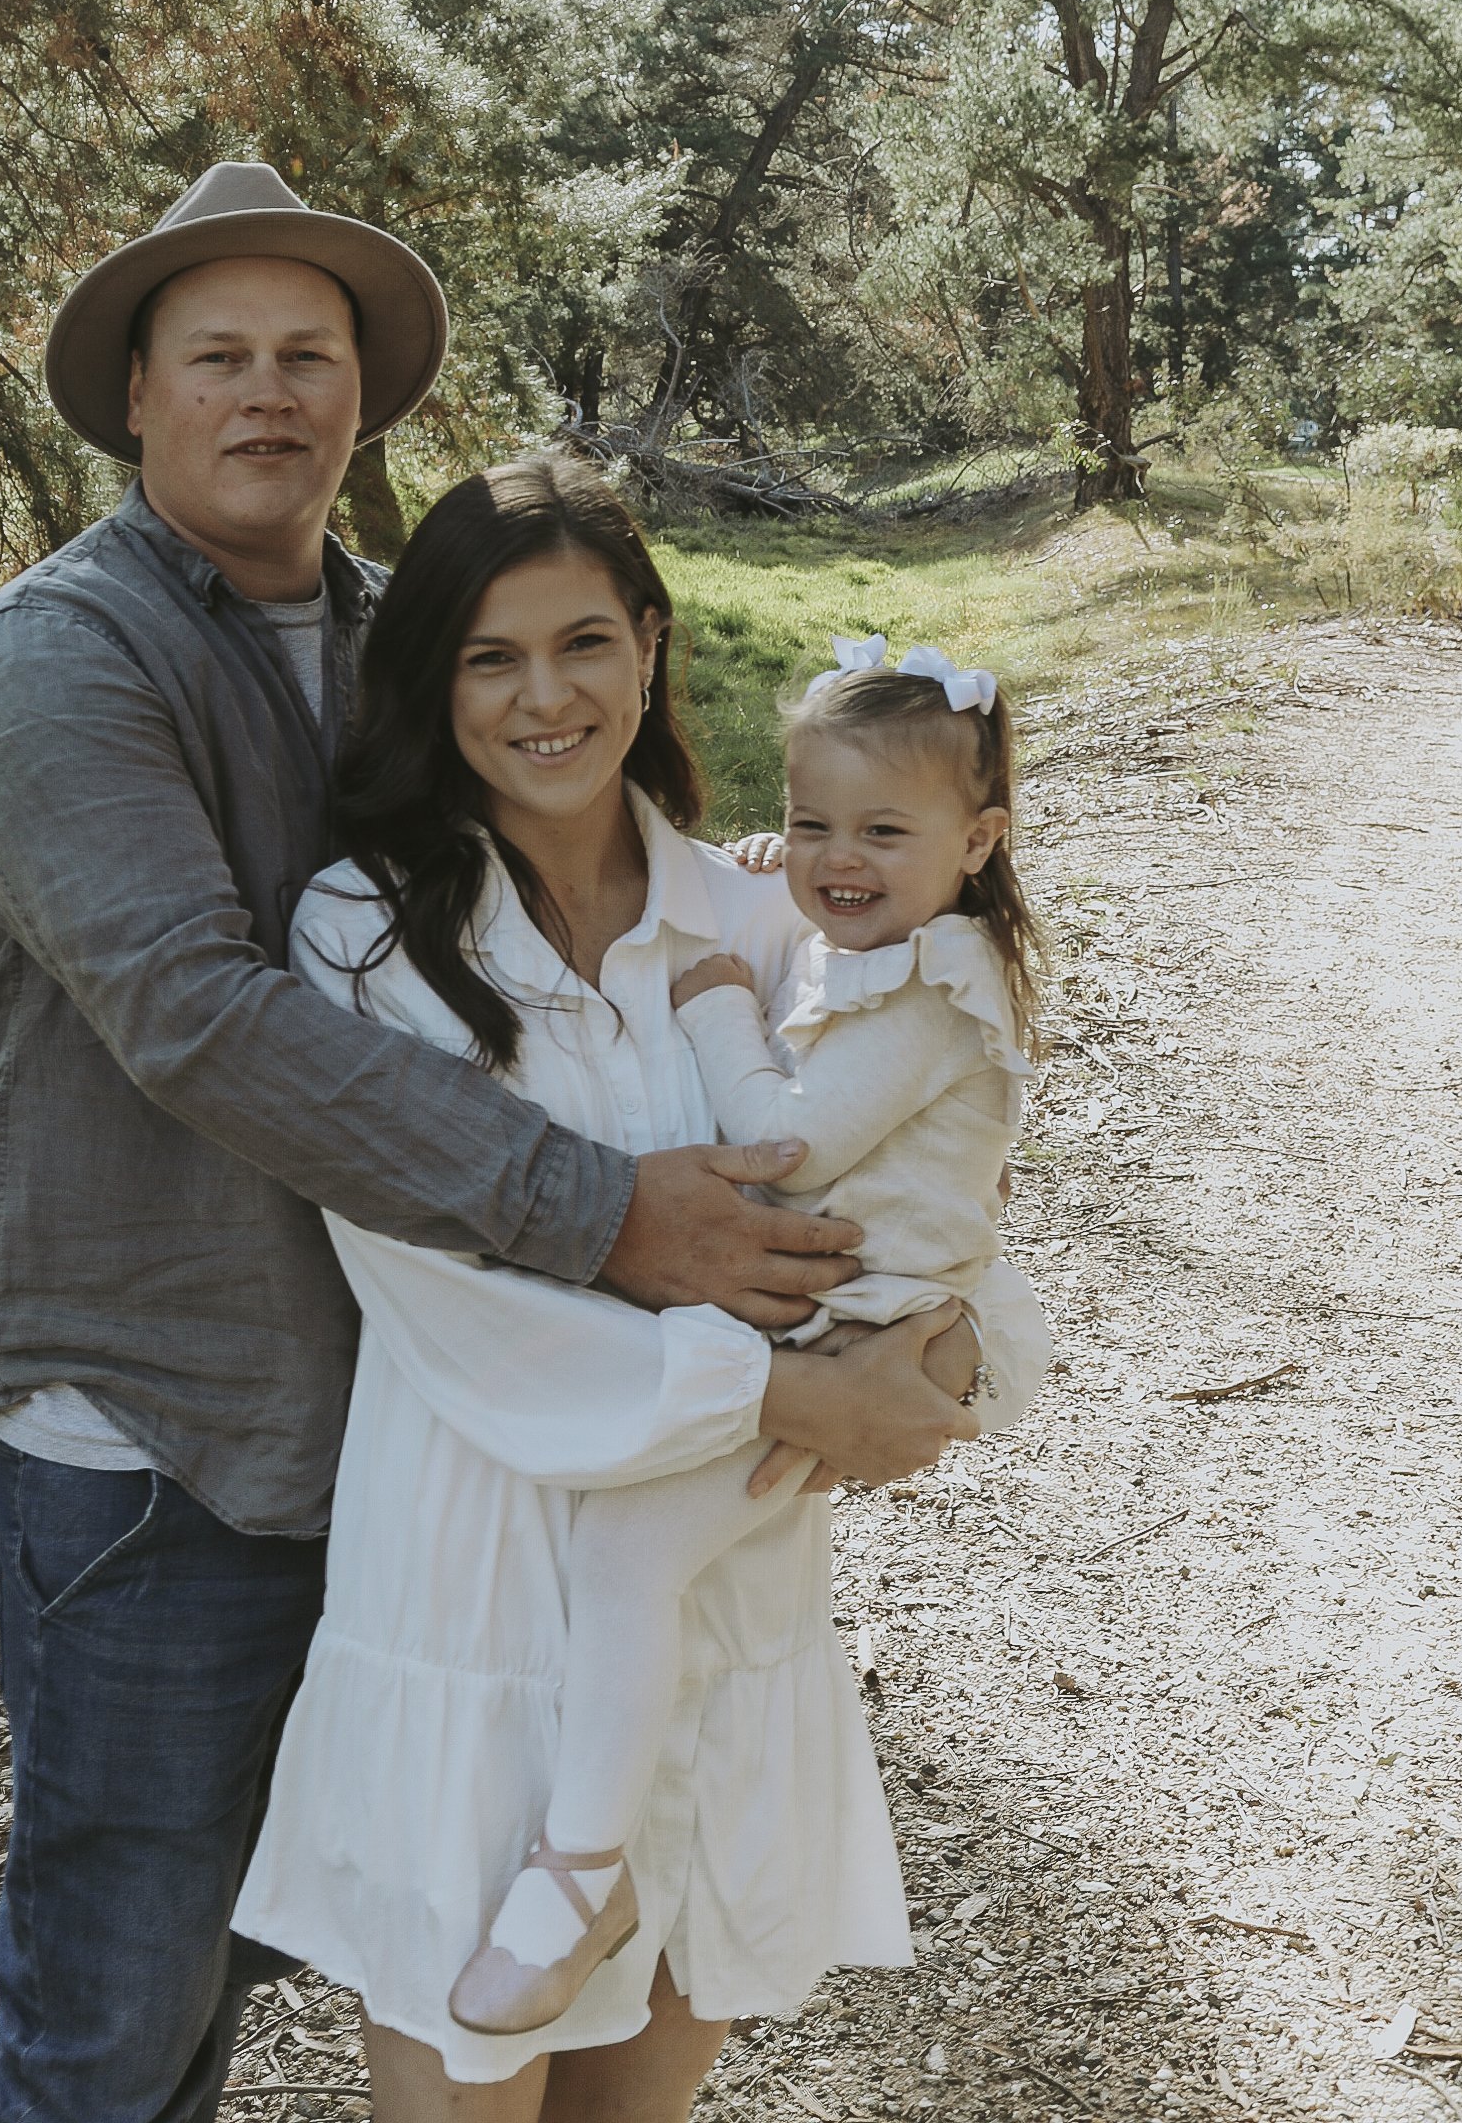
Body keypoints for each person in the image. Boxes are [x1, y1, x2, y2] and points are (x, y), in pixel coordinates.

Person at [0, 164, 972, 2123]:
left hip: (419, 1434)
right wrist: (614, 1222)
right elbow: (193, 1012)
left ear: (363, 397)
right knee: (122, 2009)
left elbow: (588, 870)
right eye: (217, 356)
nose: (267, 392)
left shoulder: (390, 633)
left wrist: (790, 901)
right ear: (135, 395)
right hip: (158, 1427)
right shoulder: (61, 657)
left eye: (306, 354)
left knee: (346, 1944)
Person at [232, 456, 1054, 2120]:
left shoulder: (772, 915)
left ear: (652, 646)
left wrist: (953, 1354)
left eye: (585, 643)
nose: (546, 697)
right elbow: (435, 1287)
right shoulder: (362, 935)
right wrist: (785, 1391)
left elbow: (925, 1196)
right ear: (433, 680)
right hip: (473, 1578)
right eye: (492, 656)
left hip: (722, 1607)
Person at [450, 630, 1045, 2037]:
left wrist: (717, 1001)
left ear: (978, 840)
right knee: (643, 1555)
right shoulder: (895, 948)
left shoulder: (937, 988)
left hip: (872, 1331)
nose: (839, 858)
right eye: (812, 821)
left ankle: (583, 1872)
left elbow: (786, 1144)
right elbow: (827, 969)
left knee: (628, 1551)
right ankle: (610, 1858)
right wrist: (786, 894)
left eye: (884, 831)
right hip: (850, 1314)